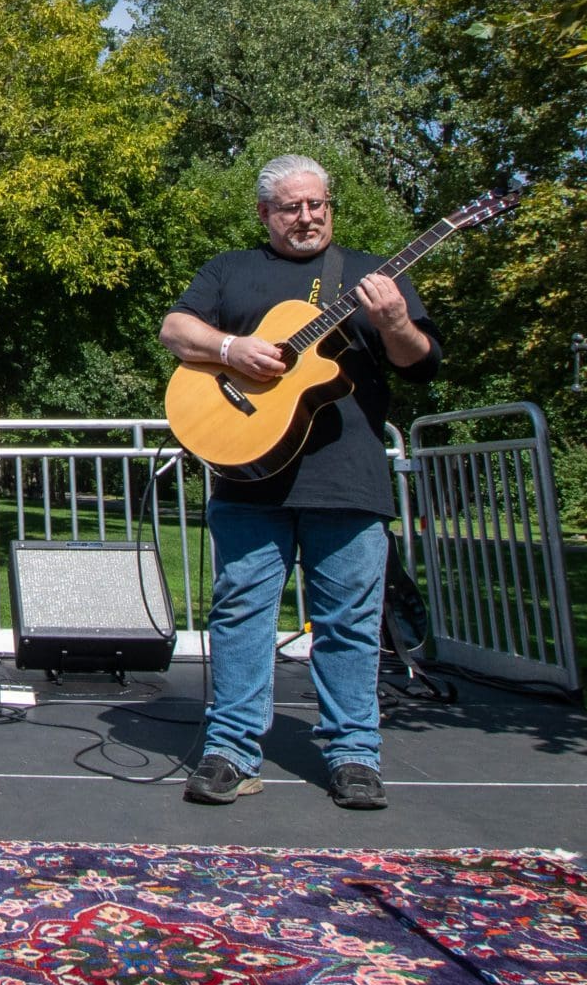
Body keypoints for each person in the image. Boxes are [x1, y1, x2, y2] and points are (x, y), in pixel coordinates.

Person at [160, 154, 440, 812]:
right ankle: (231, 751)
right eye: (292, 207)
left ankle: (354, 756)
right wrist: (230, 349)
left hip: (347, 478)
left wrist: (395, 321)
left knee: (349, 622)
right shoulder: (231, 269)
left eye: (318, 204)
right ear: (266, 213)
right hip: (248, 478)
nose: (308, 216)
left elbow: (422, 363)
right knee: (240, 613)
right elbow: (175, 328)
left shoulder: (373, 274)